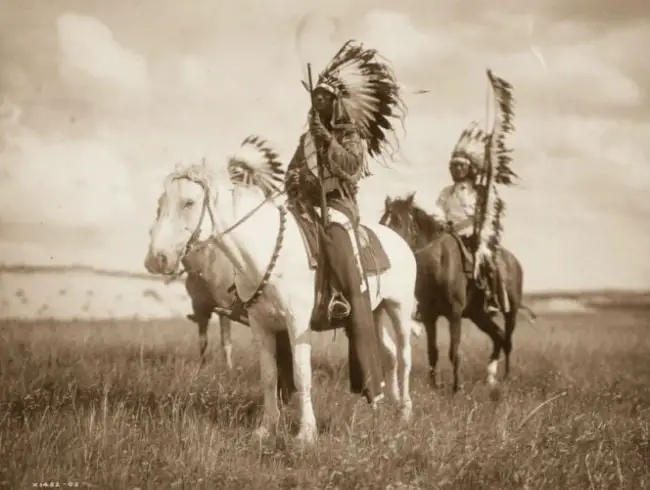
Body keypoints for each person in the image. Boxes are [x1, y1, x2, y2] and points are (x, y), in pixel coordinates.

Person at [284, 40, 406, 404]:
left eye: (324, 99)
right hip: (305, 208)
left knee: (339, 246)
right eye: (314, 99)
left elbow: (352, 169)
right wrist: (293, 184)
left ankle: (344, 301)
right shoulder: (306, 138)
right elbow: (292, 171)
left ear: (335, 103)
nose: (317, 104)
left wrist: (329, 143)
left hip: (338, 208)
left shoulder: (349, 135)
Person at [430, 122, 502, 314]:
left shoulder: (482, 193)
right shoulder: (446, 192)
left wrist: (482, 237)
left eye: (460, 165)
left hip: (475, 238)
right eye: (453, 165)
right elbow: (437, 212)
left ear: (469, 168)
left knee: (486, 261)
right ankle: (426, 302)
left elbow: (489, 217)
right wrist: (443, 225)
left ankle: (491, 298)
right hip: (451, 237)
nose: (455, 169)